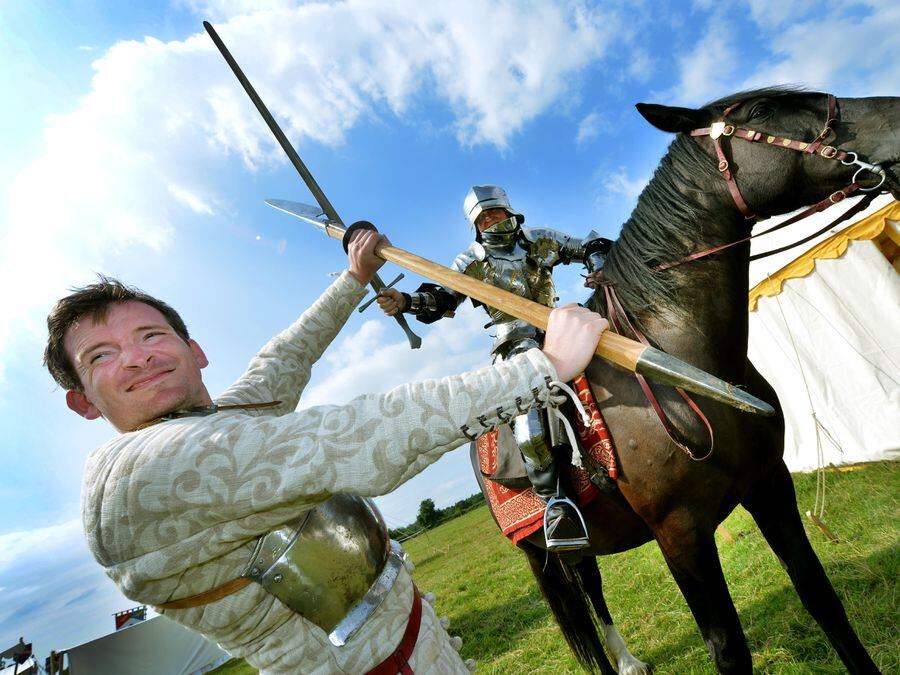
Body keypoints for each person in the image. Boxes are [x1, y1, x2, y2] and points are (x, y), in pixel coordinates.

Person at [44, 227, 607, 675]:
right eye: (100, 356)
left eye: (150, 335)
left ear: (196, 351)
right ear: (83, 404)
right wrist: (543, 368)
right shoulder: (138, 475)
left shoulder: (211, 426)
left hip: (416, 648)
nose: (138, 357)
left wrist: (355, 277)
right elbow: (351, 434)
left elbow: (278, 367)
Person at [377, 185, 610, 551]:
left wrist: (598, 268)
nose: (491, 221)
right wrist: (406, 301)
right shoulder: (471, 262)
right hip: (515, 346)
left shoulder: (540, 241)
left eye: (495, 213)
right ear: (475, 225)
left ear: (508, 211)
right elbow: (441, 297)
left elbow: (593, 244)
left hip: (561, 326)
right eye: (482, 218)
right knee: (529, 427)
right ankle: (557, 504)